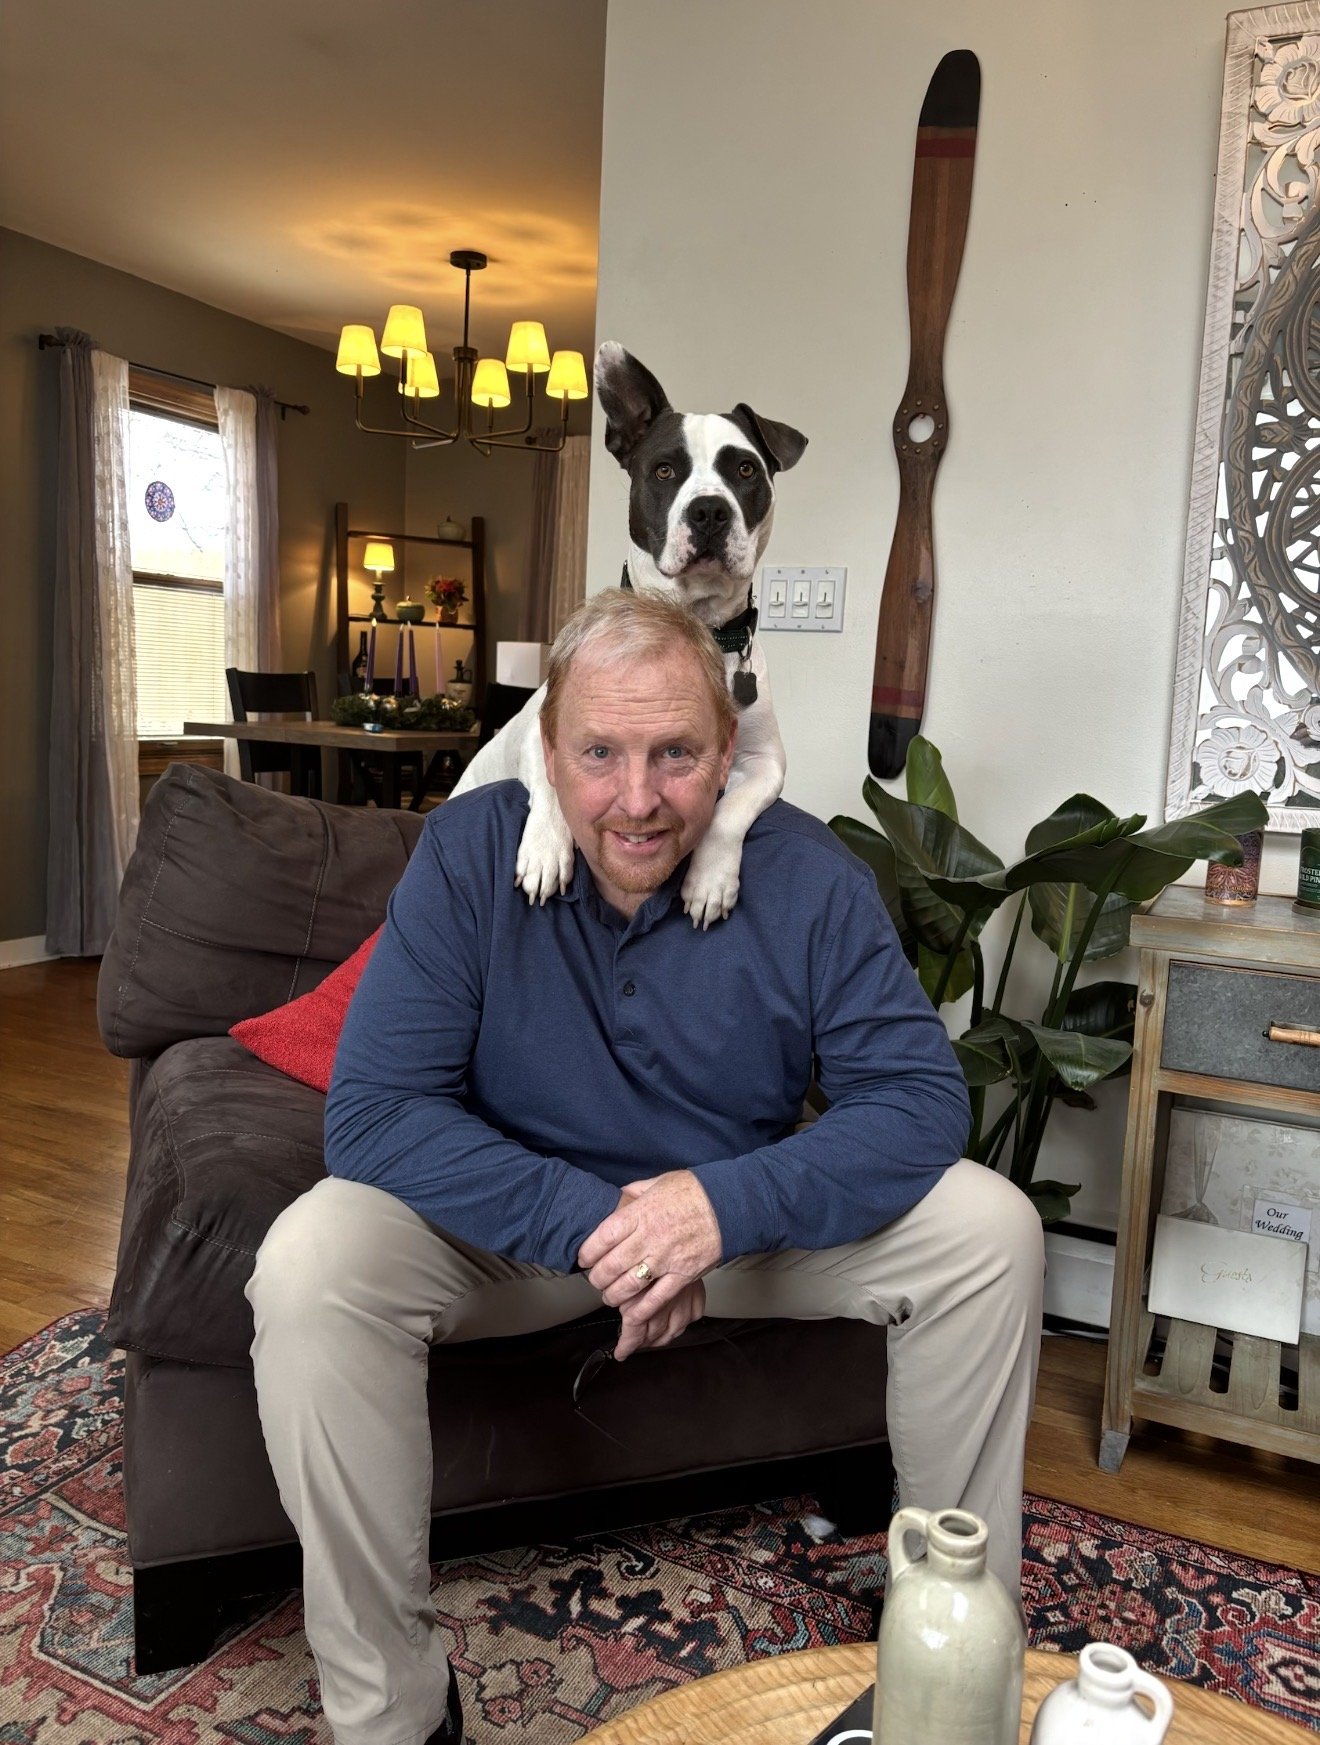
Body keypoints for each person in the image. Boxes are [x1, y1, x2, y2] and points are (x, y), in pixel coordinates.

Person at [247, 588, 1044, 1745]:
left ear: (731, 754)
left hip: (735, 1234)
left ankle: (946, 1660)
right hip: (513, 1229)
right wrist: (602, 1222)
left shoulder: (808, 874)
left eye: (675, 752)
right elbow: (373, 1114)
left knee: (989, 1227)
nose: (636, 798)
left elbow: (919, 1098)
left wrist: (718, 1205)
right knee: (310, 1258)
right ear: (546, 752)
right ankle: (393, 1711)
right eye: (600, 753)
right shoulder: (468, 854)